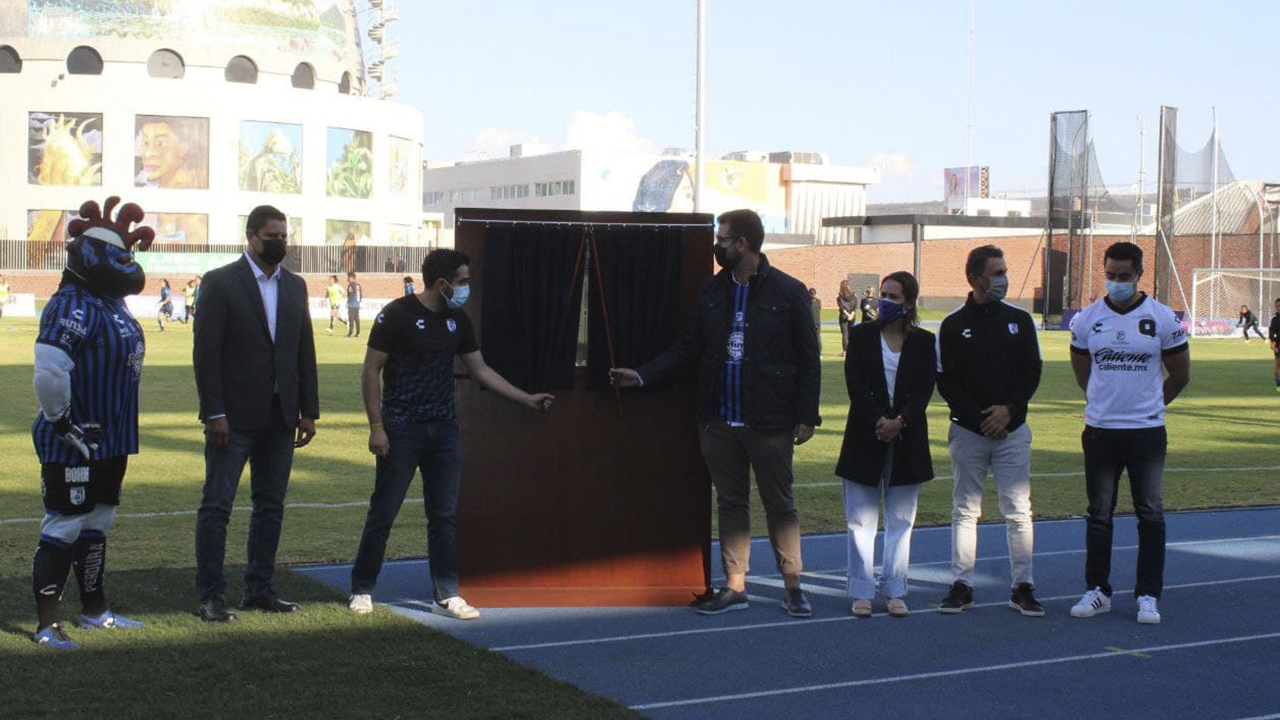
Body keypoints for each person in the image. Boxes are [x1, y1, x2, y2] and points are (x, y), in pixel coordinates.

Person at [610, 209, 821, 618]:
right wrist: (641, 375)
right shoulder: (712, 292)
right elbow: (688, 348)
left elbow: (808, 358)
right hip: (719, 421)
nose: (717, 245)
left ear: (742, 243)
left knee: (780, 503)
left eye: (722, 239)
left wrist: (806, 414)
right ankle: (735, 585)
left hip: (770, 421)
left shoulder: (789, 291)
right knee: (730, 502)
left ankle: (793, 584)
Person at [349, 249, 555, 619]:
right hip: (401, 430)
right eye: (462, 281)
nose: (467, 288)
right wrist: (377, 427)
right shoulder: (396, 315)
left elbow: (481, 371)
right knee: (384, 511)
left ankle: (446, 593)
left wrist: (525, 399)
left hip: (443, 432)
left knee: (443, 515)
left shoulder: (457, 321)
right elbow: (370, 371)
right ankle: (362, 589)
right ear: (442, 283)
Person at [29, 196, 155, 649]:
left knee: (98, 523)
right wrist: (62, 423)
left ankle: (95, 611)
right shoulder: (72, 304)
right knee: (64, 524)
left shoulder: (111, 304)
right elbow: (49, 368)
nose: (127, 265)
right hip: (75, 440)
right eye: (118, 256)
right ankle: (47, 624)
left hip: (112, 438)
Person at [192, 205, 319, 623]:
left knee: (271, 507)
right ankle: (211, 595)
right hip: (233, 420)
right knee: (217, 506)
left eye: (284, 235)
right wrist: (215, 413)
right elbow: (206, 355)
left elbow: (303, 352)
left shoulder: (296, 286)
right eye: (272, 236)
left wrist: (308, 412)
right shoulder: (221, 283)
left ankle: (259, 589)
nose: (280, 242)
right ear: (250, 237)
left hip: (281, 418)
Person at [1068, 241, 1189, 625]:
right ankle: (1097, 590)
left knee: (1150, 514)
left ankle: (1148, 595)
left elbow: (1180, 375)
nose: (1116, 282)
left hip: (1147, 433)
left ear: (1139, 275)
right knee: (1099, 515)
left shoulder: (1163, 318)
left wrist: (1150, 405)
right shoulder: (1087, 319)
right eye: (1110, 275)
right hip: (1101, 431)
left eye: (1124, 277)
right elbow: (1081, 368)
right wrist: (1103, 402)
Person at [935, 245, 1044, 617]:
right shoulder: (952, 325)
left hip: (1013, 431)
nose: (1003, 279)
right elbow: (946, 382)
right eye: (996, 273)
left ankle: (1022, 586)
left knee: (1018, 511)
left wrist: (1008, 411)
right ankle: (961, 584)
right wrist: (980, 418)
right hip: (969, 431)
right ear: (975, 278)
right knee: (965, 509)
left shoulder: (1020, 320)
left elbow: (1032, 371)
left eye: (1004, 271)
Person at [836, 271, 935, 618]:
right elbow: (856, 385)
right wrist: (879, 420)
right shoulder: (863, 337)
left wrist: (901, 421)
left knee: (901, 519)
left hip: (908, 439)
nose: (885, 301)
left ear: (909, 302)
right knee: (860, 519)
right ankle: (861, 589)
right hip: (866, 435)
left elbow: (924, 389)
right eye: (884, 294)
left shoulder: (924, 342)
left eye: (894, 296)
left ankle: (895, 588)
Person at [836, 280, 858, 357]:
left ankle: (845, 351)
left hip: (844, 316)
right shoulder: (853, 296)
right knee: (850, 333)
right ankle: (851, 350)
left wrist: (847, 315)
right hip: (852, 316)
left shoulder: (839, 297)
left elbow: (842, 308)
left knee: (845, 334)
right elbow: (855, 306)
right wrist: (851, 314)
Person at [346, 271, 364, 338]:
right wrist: (358, 302)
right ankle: (358, 333)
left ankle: (350, 333)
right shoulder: (358, 285)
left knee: (351, 319)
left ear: (351, 277)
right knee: (357, 319)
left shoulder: (351, 285)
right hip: (357, 304)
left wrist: (348, 302)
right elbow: (361, 295)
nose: (347, 279)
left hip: (352, 304)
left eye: (348, 277)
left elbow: (350, 295)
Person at [809, 287, 823, 355]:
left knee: (811, 337)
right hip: (817, 322)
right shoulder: (818, 301)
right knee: (818, 337)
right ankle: (819, 352)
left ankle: (812, 350)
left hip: (810, 322)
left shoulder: (808, 302)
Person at [1270, 298, 1280, 392]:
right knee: (1278, 364)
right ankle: (1278, 385)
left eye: (1279, 306)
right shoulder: (1275, 319)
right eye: (1277, 306)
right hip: (1278, 344)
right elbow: (1272, 332)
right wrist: (1273, 344)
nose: (1278, 308)